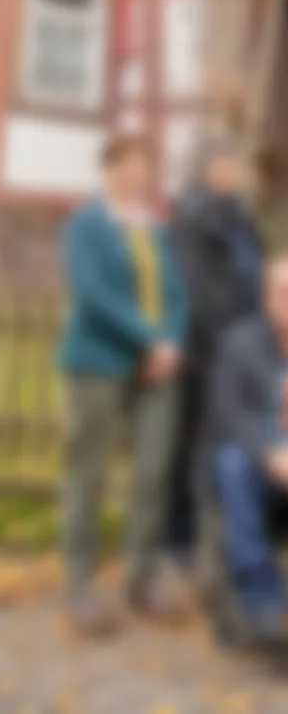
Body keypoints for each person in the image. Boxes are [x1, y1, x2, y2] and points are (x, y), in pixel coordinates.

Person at [58, 133, 188, 636]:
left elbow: (177, 292)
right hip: (100, 363)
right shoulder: (87, 225)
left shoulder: (156, 228)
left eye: (143, 166)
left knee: (152, 471)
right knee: (89, 474)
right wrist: (150, 339)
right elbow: (94, 294)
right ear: (109, 170)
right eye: (126, 165)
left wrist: (171, 341)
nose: (136, 175)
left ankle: (142, 577)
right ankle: (82, 586)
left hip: (159, 367)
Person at [169, 137, 263, 565]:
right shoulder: (194, 215)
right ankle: (179, 542)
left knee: (234, 444)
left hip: (241, 351)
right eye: (228, 164)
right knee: (191, 446)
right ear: (209, 168)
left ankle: (231, 538)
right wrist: (227, 346)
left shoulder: (237, 216)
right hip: (206, 352)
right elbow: (197, 290)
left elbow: (255, 278)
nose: (236, 173)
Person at [208, 254, 288, 652]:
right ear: (266, 296)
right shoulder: (239, 343)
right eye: (281, 291)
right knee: (232, 463)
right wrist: (268, 452)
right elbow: (229, 412)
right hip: (264, 467)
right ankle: (263, 603)